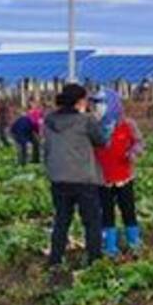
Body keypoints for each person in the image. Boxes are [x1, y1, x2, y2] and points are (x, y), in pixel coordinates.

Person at [44, 83, 107, 267]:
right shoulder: (86, 120)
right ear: (80, 101)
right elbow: (101, 141)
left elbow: (47, 148)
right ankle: (94, 260)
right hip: (83, 178)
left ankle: (55, 259)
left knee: (61, 220)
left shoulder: (49, 120)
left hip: (58, 177)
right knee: (92, 221)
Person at [93, 90, 145, 257]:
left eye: (101, 103)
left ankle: (134, 242)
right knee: (106, 212)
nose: (97, 107)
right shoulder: (93, 126)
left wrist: (134, 152)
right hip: (102, 178)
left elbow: (139, 142)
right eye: (95, 104)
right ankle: (110, 247)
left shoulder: (127, 124)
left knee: (128, 209)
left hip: (124, 176)